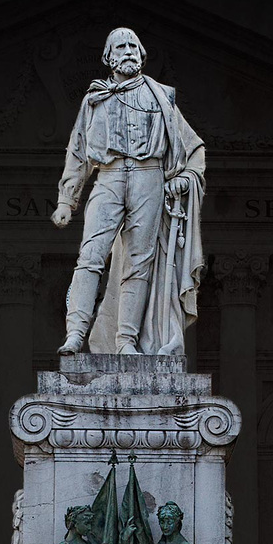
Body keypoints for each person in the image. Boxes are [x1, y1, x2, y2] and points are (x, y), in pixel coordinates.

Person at [51, 27, 205, 356]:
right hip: (109, 176)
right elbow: (78, 151)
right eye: (121, 46)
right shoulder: (94, 100)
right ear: (108, 57)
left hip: (150, 177)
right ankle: (75, 334)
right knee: (90, 256)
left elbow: (193, 148)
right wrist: (68, 199)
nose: (129, 51)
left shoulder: (162, 97)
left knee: (139, 263)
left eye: (134, 45)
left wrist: (186, 176)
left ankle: (125, 342)